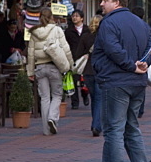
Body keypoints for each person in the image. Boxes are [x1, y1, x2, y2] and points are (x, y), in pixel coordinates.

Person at [92, 0, 151, 162]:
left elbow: (113, 49)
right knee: (132, 128)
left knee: (113, 130)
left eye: (105, 0)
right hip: (136, 83)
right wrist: (143, 63)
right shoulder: (141, 23)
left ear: (116, 2)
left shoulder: (108, 23)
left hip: (116, 81)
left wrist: (131, 66)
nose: (101, 3)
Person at [26, 7, 75, 136]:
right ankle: (52, 118)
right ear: (52, 16)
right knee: (57, 95)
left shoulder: (34, 32)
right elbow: (66, 49)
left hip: (40, 68)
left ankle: (45, 130)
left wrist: (30, 72)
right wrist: (70, 65)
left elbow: (30, 53)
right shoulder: (57, 30)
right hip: (54, 67)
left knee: (44, 98)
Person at [64, 10, 93, 109]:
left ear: (82, 18)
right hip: (73, 57)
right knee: (74, 79)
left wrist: (88, 54)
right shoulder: (68, 31)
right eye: (73, 16)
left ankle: (85, 95)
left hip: (85, 58)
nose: (74, 18)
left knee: (84, 80)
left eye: (76, 16)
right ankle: (74, 102)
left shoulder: (87, 30)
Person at [83, 15, 103, 137]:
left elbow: (78, 53)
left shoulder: (85, 37)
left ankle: (95, 123)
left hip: (88, 71)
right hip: (100, 70)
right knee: (99, 99)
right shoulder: (104, 37)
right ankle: (96, 125)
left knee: (94, 98)